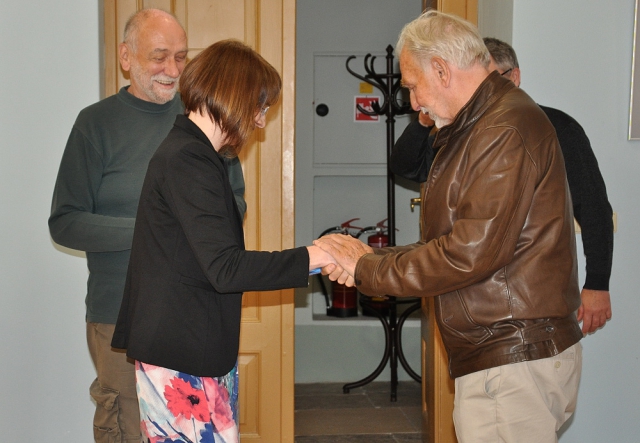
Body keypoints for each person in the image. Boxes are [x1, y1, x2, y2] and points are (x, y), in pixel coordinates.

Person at [316, 11, 583, 442]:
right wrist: (370, 257)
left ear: (441, 70)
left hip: (512, 355)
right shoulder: (484, 123)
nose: (413, 103)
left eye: (412, 86)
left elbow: (468, 254)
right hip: (507, 353)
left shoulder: (502, 128)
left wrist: (366, 268)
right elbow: (453, 242)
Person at [110, 39, 334, 443]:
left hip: (189, 348)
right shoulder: (188, 159)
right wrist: (315, 255)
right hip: (182, 352)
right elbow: (226, 269)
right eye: (259, 107)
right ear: (234, 96)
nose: (260, 122)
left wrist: (316, 258)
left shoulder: (195, 154)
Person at [48, 9, 246, 442]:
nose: (172, 70)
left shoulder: (204, 119)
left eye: (181, 57)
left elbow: (235, 206)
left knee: (200, 431)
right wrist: (152, 229)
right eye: (159, 57)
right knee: (128, 428)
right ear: (126, 57)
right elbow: (65, 222)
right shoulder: (95, 124)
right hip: (120, 313)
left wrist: (179, 226)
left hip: (197, 315)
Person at [390, 36, 613, 335]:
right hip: (469, 300)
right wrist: (424, 119)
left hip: (532, 303)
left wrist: (598, 283)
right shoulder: (458, 132)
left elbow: (594, 207)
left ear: (514, 77)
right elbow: (406, 166)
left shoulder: (556, 127)